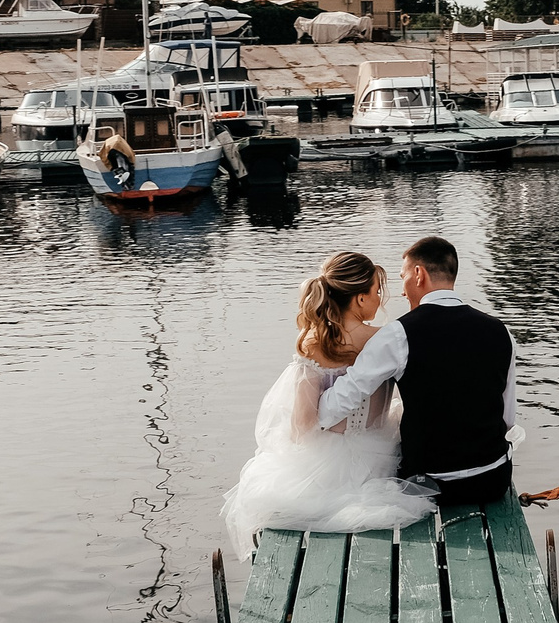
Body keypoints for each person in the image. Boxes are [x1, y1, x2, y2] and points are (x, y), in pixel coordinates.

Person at [219, 251, 438, 557]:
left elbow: (303, 425)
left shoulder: (313, 342)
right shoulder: (387, 338)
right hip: (379, 456)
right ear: (360, 299)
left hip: (322, 462)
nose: (381, 300)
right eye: (377, 292)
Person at [318, 234, 521, 507]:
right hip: (492, 479)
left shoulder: (397, 335)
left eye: (402, 277)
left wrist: (311, 390)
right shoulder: (501, 331)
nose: (402, 291)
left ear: (418, 274)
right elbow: (507, 419)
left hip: (427, 486)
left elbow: (335, 406)